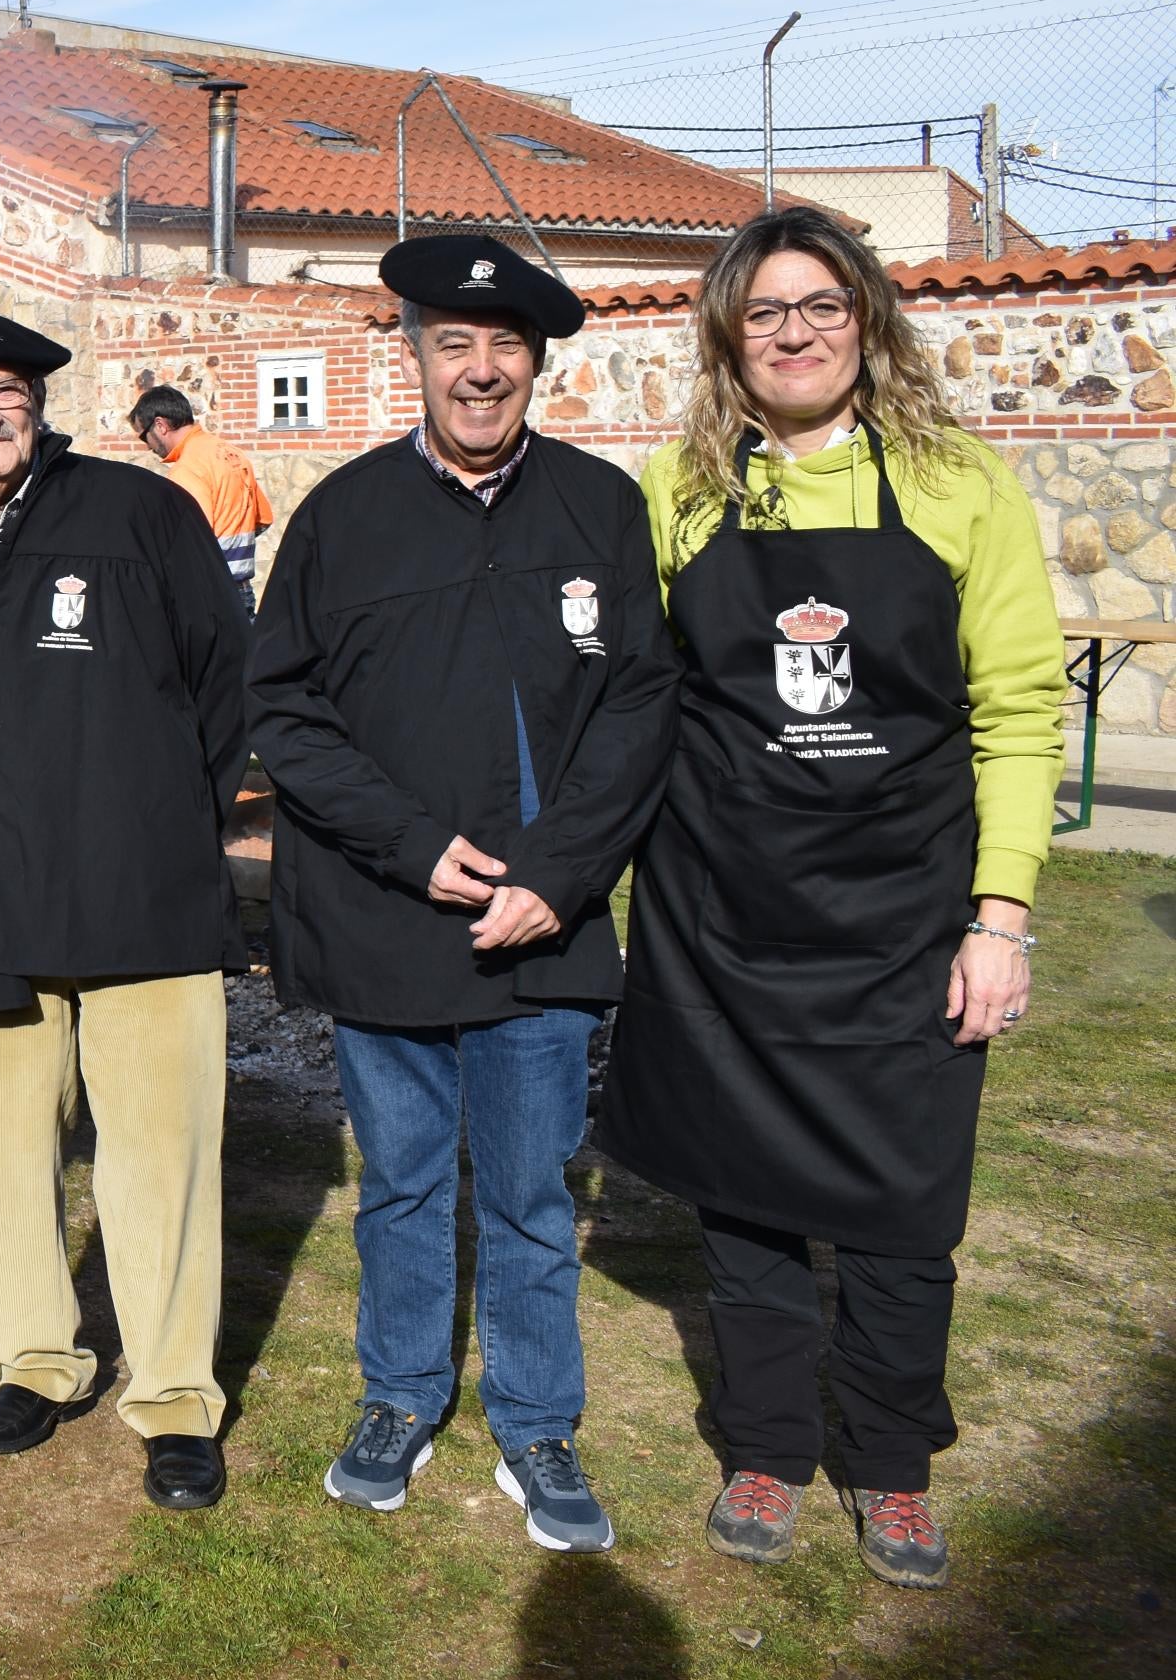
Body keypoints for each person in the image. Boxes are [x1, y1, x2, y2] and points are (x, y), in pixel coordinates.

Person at [601, 203, 1062, 1591]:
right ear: (728, 341)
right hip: (724, 916)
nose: (793, 334)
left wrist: (1002, 916)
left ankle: (893, 1463)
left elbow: (1022, 713)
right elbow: (637, 700)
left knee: (905, 1213)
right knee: (741, 1205)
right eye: (765, 313)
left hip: (908, 919)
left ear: (865, 321)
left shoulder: (958, 484)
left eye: (820, 307)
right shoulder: (682, 493)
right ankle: (762, 1442)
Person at [247, 235, 680, 1553]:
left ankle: (538, 1423)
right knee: (400, 1185)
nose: (479, 369)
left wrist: (560, 877)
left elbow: (638, 707)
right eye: (453, 343)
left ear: (534, 363)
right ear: (416, 355)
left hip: (538, 935)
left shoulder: (600, 508)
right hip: (393, 918)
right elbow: (284, 711)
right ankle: (399, 1398)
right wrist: (408, 843)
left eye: (503, 348)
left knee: (533, 1193)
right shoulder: (342, 515)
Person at [0, 306, 250, 1513]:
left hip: (141, 891)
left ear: (37, 401)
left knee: (162, 1152)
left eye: (4, 391)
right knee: (12, 1154)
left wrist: (170, 823)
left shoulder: (139, 515)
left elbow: (225, 685)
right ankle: (38, 1356)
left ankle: (176, 1395)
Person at [131, 385, 273, 616]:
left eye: (143, 436)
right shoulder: (232, 453)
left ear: (160, 425)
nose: (147, 446)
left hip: (209, 594)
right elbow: (263, 520)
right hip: (241, 589)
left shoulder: (188, 470)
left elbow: (187, 544)